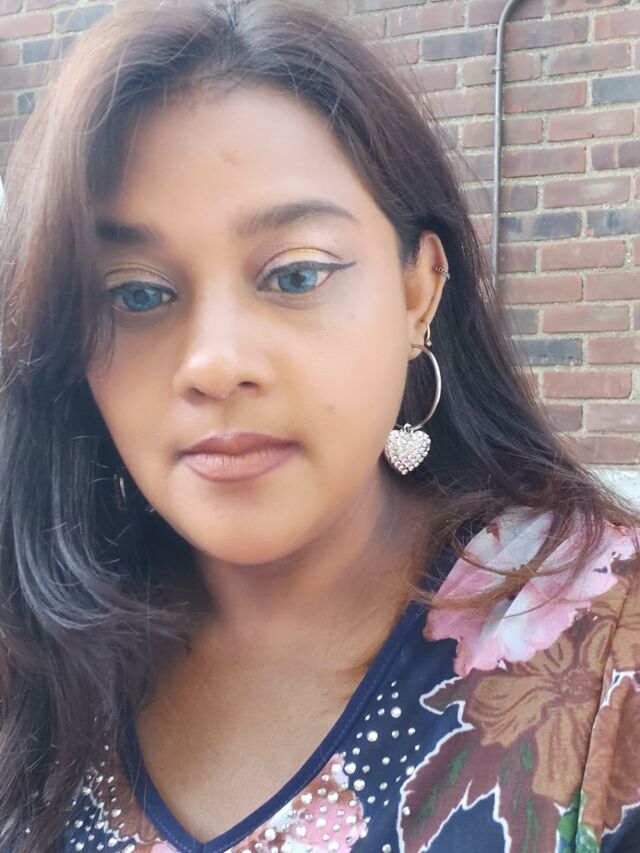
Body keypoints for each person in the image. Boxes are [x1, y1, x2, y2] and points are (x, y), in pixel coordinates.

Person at [0, 0, 638, 850]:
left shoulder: (608, 649)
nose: (215, 363)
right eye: (137, 293)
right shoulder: (32, 652)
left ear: (418, 291)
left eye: (295, 275)